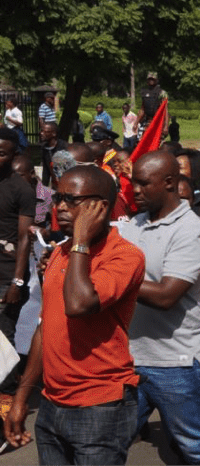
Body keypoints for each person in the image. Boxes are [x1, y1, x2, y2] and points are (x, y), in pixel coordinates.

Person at [4, 166, 145, 464]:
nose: (61, 207)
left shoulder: (125, 256)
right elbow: (47, 327)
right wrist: (21, 397)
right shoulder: (61, 252)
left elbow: (79, 304)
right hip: (52, 405)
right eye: (58, 199)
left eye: (72, 199)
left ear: (101, 207)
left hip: (99, 409)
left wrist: (80, 240)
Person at [119, 151, 200, 464]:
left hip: (178, 362)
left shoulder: (189, 231)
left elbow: (166, 296)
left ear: (168, 183)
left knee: (198, 449)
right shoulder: (132, 225)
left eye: (141, 183)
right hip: (130, 359)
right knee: (109, 442)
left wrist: (114, 278)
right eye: (131, 182)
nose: (133, 190)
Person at [0, 128, 34, 416]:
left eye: (2, 153)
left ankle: (7, 411)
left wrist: (17, 282)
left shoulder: (21, 189)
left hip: (7, 278)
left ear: (12, 157)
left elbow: (25, 238)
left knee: (3, 346)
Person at [137, 72, 168, 136]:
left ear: (156, 80)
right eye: (150, 79)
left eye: (153, 79)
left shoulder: (162, 92)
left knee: (156, 141)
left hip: (158, 121)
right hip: (148, 121)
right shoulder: (144, 92)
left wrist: (166, 126)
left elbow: (165, 110)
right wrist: (136, 123)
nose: (151, 81)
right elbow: (142, 109)